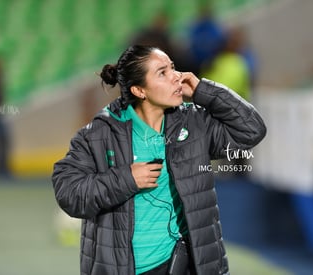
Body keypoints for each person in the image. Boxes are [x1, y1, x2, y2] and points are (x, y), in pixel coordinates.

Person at [52, 45, 266, 275]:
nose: (176, 77)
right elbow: (69, 193)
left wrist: (205, 91)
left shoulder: (193, 124)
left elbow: (252, 130)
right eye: (162, 73)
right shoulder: (99, 135)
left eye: (172, 68)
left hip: (187, 266)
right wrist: (127, 179)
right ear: (139, 90)